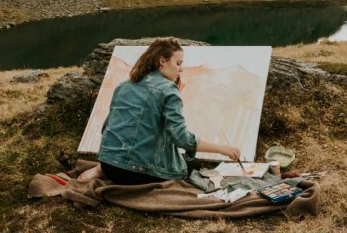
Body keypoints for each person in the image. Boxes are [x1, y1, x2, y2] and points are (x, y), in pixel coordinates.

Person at [78, 37, 241, 184]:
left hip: (109, 166)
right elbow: (182, 139)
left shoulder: (123, 86)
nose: (181, 69)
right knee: (193, 164)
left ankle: (99, 169)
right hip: (134, 173)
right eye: (178, 63)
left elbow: (107, 128)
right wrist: (223, 149)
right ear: (162, 60)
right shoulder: (168, 90)